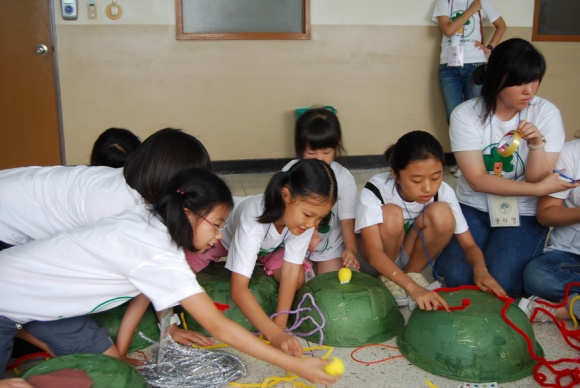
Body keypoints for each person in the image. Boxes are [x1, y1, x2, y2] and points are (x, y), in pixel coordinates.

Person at [0, 168, 339, 386]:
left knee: (111, 368)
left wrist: (166, 328)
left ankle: (26, 330)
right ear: (189, 212)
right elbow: (220, 327)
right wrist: (296, 366)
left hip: (37, 301)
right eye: (218, 224)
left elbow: (143, 290)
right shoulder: (159, 254)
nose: (220, 236)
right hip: (6, 300)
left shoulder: (148, 220)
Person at [0, 128, 213, 364]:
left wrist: (169, 327)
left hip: (14, 213)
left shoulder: (140, 192)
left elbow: (157, 273)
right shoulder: (119, 210)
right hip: (6, 232)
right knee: (74, 334)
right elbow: (155, 270)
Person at [434, 38, 577, 298]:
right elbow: (477, 179)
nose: (529, 91)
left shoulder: (546, 113)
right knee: (456, 279)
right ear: (497, 76)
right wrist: (539, 188)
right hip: (473, 206)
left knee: (503, 282)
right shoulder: (465, 114)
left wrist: (536, 145)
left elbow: (537, 178)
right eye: (520, 82)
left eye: (535, 81)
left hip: (523, 212)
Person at [356, 131, 505, 310]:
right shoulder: (376, 189)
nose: (428, 187)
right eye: (417, 180)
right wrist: (414, 289)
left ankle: (412, 273)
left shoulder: (443, 191)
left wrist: (481, 271)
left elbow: (469, 245)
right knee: (392, 215)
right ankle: (389, 278)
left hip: (405, 254)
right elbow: (374, 254)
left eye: (436, 177)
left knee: (442, 213)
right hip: (373, 261)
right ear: (394, 174)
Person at [218, 159, 336, 357]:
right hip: (222, 238)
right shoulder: (253, 220)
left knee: (298, 277)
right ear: (285, 195)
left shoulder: (303, 221)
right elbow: (238, 289)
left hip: (269, 247)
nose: (311, 224)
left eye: (319, 218)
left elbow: (291, 270)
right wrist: (273, 334)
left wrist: (279, 327)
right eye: (308, 215)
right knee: (190, 265)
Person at [432, 0, 506, 177]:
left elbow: (501, 26)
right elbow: (448, 30)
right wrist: (473, 9)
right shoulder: (445, 2)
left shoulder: (482, 2)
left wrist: (490, 47)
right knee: (454, 115)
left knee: (479, 114)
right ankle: (464, 162)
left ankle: (479, 163)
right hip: (449, 66)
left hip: (476, 65)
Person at [281, 107, 359, 275]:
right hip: (294, 241)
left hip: (329, 245)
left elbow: (347, 220)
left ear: (335, 148)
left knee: (329, 285)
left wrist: (351, 249)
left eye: (326, 152)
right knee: (297, 281)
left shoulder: (344, 178)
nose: (319, 158)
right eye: (311, 152)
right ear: (300, 149)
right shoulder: (290, 171)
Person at [520, 139, 580, 323]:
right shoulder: (572, 152)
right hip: (570, 254)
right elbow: (546, 214)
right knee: (537, 277)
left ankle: (569, 308)